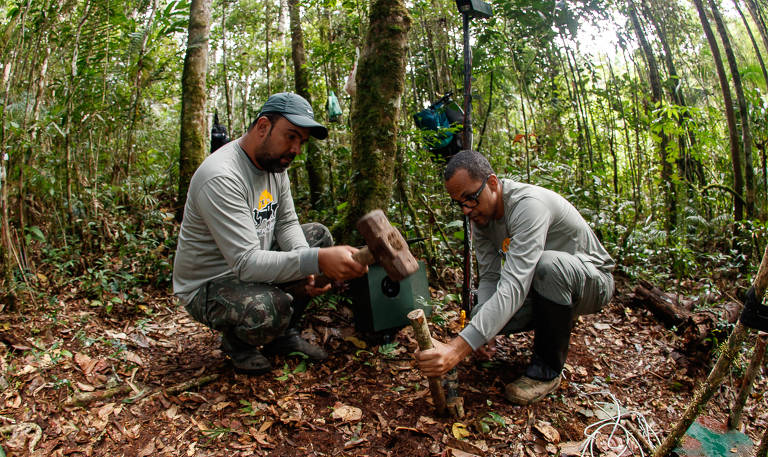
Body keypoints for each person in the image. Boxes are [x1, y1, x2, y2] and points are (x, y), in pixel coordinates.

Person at [173, 92, 368, 374]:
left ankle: (284, 337)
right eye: (290, 136)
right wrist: (315, 261)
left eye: (301, 141)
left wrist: (308, 265)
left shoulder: (275, 166)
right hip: (210, 283)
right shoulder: (221, 176)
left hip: (249, 265)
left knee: (318, 237)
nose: (296, 148)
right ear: (263, 127)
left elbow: (286, 223)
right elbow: (245, 263)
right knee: (269, 307)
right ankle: (237, 344)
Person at [414, 150, 615, 404]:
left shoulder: (528, 205)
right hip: (542, 286)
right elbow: (490, 277)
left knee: (547, 266)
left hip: (594, 282)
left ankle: (547, 371)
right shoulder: (481, 218)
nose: (466, 210)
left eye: (471, 198)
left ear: (493, 183)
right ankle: (553, 317)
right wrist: (482, 334)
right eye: (459, 203)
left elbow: (514, 285)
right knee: (480, 314)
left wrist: (457, 349)